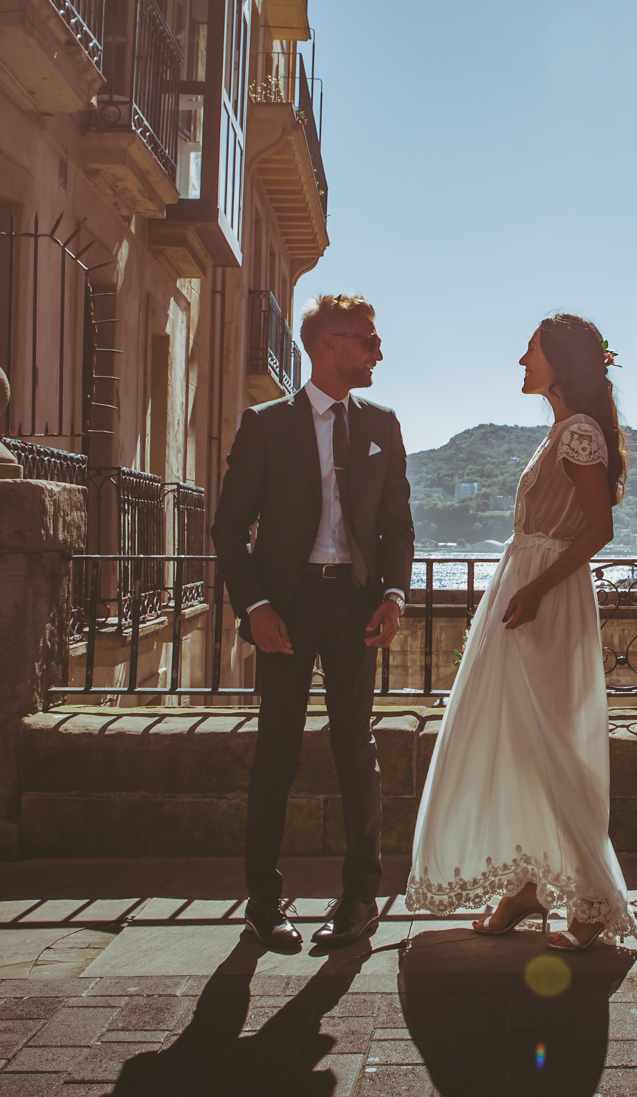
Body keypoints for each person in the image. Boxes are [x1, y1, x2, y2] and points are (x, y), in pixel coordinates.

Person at [405, 314, 636, 951]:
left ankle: (590, 902)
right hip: (527, 595)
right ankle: (527, 886)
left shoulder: (580, 433)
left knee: (554, 742)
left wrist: (534, 588)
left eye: (530, 351)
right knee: (518, 740)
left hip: (548, 602)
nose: (520, 362)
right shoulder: (562, 431)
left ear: (558, 362)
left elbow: (597, 531)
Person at [210, 294, 414, 952]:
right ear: (328, 343)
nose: (378, 351)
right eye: (367, 340)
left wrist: (393, 594)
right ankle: (263, 905)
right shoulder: (267, 425)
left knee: (357, 753)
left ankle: (359, 900)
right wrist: (257, 607)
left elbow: (397, 527)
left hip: (355, 606)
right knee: (277, 753)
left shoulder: (383, 424)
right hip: (286, 610)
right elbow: (229, 527)